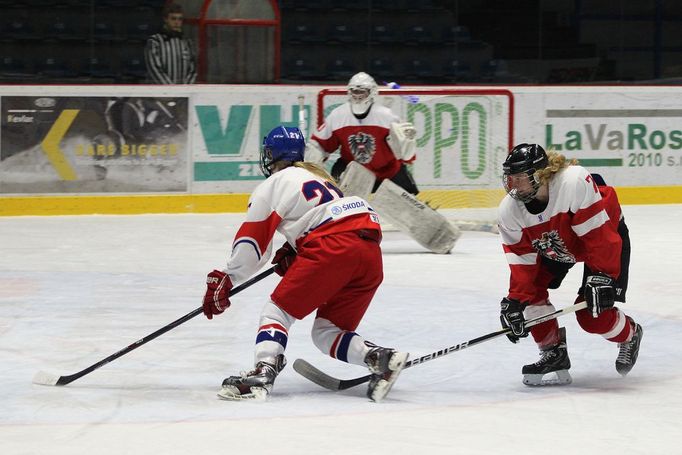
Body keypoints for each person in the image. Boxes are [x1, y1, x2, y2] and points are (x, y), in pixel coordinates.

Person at [201, 125, 409, 402]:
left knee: (277, 313)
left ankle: (263, 370)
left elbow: (253, 244)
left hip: (332, 248)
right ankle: (379, 358)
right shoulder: (322, 178)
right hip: (368, 252)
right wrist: (298, 247)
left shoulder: (274, 183)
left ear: (270, 154)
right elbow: (326, 217)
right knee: (327, 332)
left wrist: (227, 277)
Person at [497, 143, 643, 386]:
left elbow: (600, 237)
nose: (513, 185)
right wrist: (516, 300)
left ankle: (630, 334)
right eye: (510, 178)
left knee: (592, 316)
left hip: (603, 238)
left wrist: (602, 276)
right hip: (557, 243)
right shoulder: (509, 210)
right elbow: (522, 260)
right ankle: (553, 351)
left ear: (540, 174)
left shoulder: (571, 183)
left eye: (520, 178)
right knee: (529, 294)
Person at [307, 71, 418, 194]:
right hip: (353, 173)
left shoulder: (387, 117)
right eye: (355, 91)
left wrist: (407, 145)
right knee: (338, 200)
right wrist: (312, 160)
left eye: (362, 92)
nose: (358, 96)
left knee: (411, 208)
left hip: (388, 172)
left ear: (372, 93)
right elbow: (319, 144)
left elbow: (407, 156)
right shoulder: (338, 116)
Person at [144, 3, 197, 84]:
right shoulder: (154, 41)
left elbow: (193, 70)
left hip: (183, 94)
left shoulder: (187, 42)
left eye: (180, 19)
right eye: (173, 19)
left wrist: (185, 90)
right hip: (159, 94)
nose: (177, 22)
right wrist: (171, 91)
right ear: (166, 19)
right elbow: (154, 69)